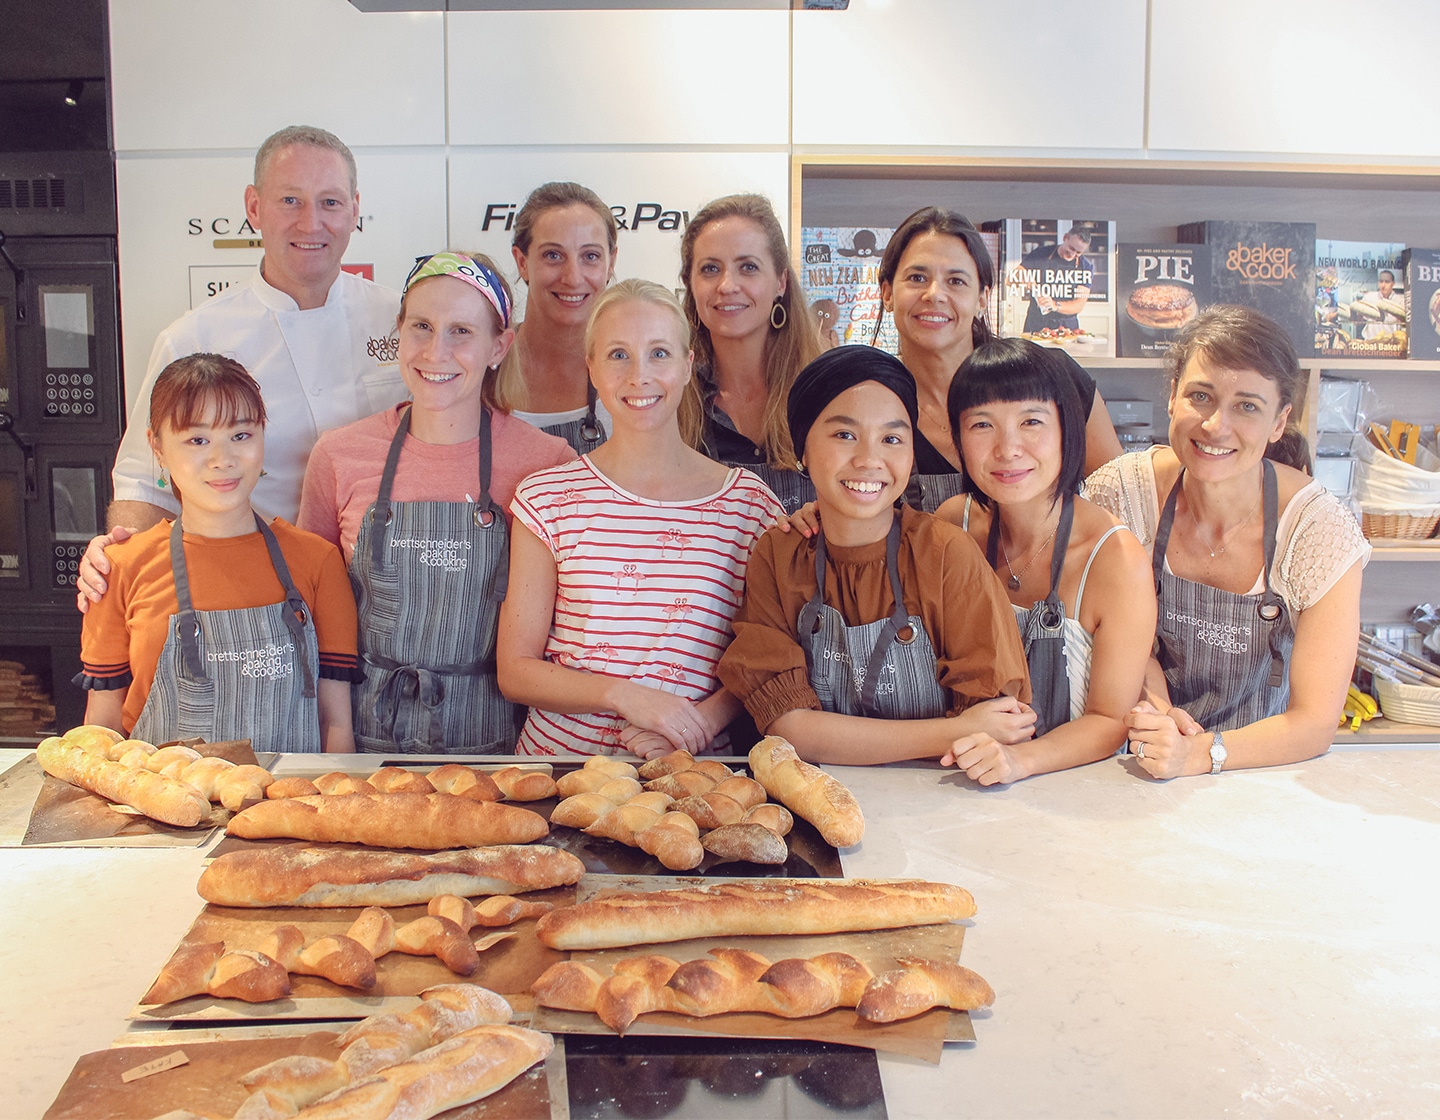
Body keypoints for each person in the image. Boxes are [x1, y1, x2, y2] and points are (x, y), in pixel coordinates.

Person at [78, 124, 404, 607]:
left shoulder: (407, 323)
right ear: (254, 207)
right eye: (290, 201)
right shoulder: (194, 339)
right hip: (254, 593)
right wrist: (117, 563)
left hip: (391, 590)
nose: (312, 222)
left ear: (355, 208)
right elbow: (147, 480)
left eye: (330, 203)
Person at [298, 252, 575, 753]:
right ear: (398, 332)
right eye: (421, 326)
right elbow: (310, 615)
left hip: (501, 753)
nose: (435, 351)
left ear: (499, 346)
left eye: (461, 332)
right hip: (364, 745)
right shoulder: (339, 456)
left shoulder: (548, 463)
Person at [497, 279, 784, 758]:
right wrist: (627, 697)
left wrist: (695, 725)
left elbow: (763, 655)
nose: (639, 376)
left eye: (658, 354)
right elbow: (515, 669)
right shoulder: (547, 498)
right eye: (617, 355)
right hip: (559, 776)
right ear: (591, 367)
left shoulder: (749, 508)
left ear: (689, 365)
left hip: (692, 772)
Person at [1085, 305, 1370, 778]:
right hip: (1131, 756)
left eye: (1247, 406)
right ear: (1173, 396)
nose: (1216, 425)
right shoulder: (1122, 493)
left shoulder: (1318, 532)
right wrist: (1157, 714)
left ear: (1279, 422)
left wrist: (1197, 753)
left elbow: (1314, 723)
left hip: (1258, 770)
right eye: (1201, 395)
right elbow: (1107, 634)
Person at [717, 345, 1033, 766]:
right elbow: (790, 728)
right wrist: (953, 731)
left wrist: (968, 733)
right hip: (817, 801)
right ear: (803, 450)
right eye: (844, 434)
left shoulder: (944, 554)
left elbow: (994, 725)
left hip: (942, 799)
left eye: (891, 438)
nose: (869, 459)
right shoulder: (779, 555)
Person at [77, 354, 357, 753]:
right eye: (197, 440)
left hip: (288, 807)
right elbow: (101, 728)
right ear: (156, 446)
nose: (222, 460)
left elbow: (336, 726)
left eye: (241, 435)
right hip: (162, 809)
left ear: (263, 435)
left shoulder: (318, 562)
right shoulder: (118, 568)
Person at [935, 338, 1156, 785]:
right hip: (957, 783)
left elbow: (1111, 719)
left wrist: (1020, 761)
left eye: (1031, 421)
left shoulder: (1115, 558)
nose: (1008, 448)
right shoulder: (952, 525)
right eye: (982, 425)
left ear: (1067, 430)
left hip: (1075, 796)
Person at [874, 207, 1121, 513]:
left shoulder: (1054, 377)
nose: (934, 294)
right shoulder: (872, 405)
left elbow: (1119, 500)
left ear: (982, 298)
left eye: (956, 281)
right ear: (887, 293)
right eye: (917, 277)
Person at [680, 194, 821, 513]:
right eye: (710, 268)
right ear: (691, 284)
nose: (727, 285)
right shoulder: (671, 402)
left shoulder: (825, 395)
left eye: (748, 267)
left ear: (780, 282)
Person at [499, 181, 618, 454]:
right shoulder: (482, 370)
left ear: (611, 262)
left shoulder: (635, 375)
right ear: (522, 262)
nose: (573, 278)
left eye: (590, 256)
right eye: (553, 255)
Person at [1018, 223, 1096, 335]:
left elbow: (1078, 304)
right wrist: (1031, 284)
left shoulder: (1085, 266)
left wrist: (1055, 305)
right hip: (1036, 322)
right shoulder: (1041, 253)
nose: (1072, 255)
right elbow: (1017, 273)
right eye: (1071, 248)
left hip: (1067, 327)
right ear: (1065, 238)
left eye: (1078, 252)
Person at [1358, 269, 1406, 341]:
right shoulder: (1369, 297)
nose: (1383, 285)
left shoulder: (1400, 301)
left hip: (1391, 344)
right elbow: (1359, 320)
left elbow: (1404, 322)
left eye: (1387, 282)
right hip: (1370, 343)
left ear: (1393, 283)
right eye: (1381, 282)